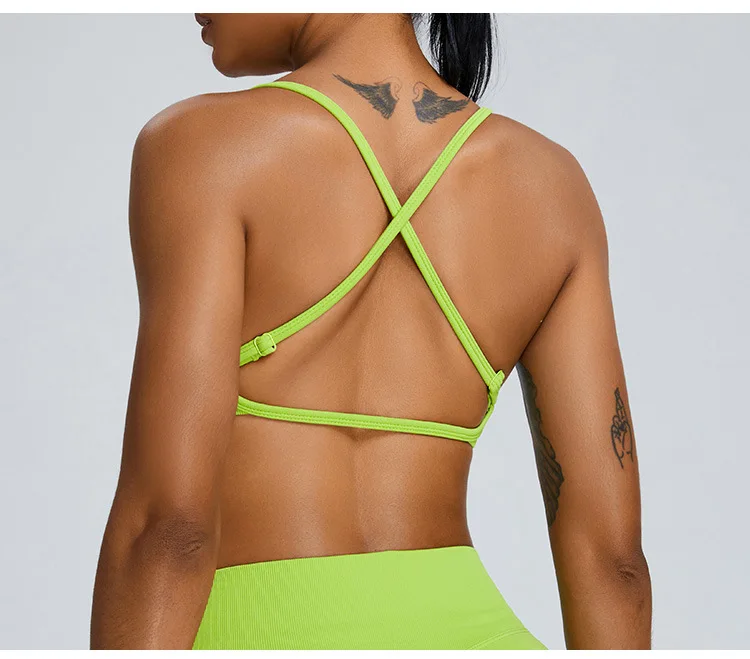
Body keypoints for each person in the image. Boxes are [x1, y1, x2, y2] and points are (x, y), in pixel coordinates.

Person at [90, 13, 652, 650]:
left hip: (265, 628)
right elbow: (614, 563)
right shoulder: (552, 186)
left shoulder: (203, 146)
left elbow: (167, 529)